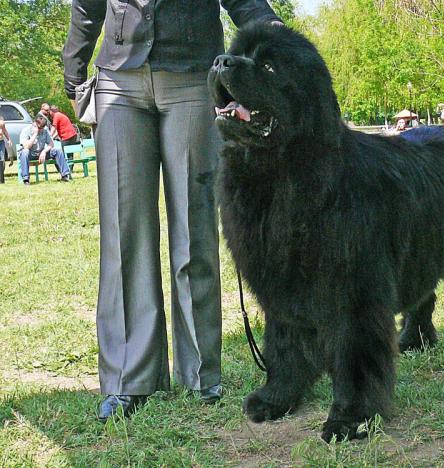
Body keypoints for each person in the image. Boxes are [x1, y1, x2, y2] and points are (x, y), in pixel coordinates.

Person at [63, 0, 282, 422]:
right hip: (117, 80)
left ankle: (201, 374)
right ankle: (130, 379)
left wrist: (273, 36)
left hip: (191, 78)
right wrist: (74, 74)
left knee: (195, 224)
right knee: (125, 232)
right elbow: (87, 6)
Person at [18, 115, 71, 185]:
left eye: (42, 128)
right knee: (24, 152)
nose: (41, 130)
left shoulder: (45, 130)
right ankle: (26, 179)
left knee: (57, 150)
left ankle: (65, 176)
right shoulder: (26, 130)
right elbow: (26, 147)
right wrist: (35, 134)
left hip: (41, 153)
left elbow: (51, 144)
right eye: (39, 127)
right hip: (30, 154)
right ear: (34, 123)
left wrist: (44, 151)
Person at [0, 117, 14, 183]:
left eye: (1, 128)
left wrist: (9, 139)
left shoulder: (2, 123)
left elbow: (5, 131)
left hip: (1, 142)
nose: (0, 131)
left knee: (2, 160)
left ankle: (1, 178)